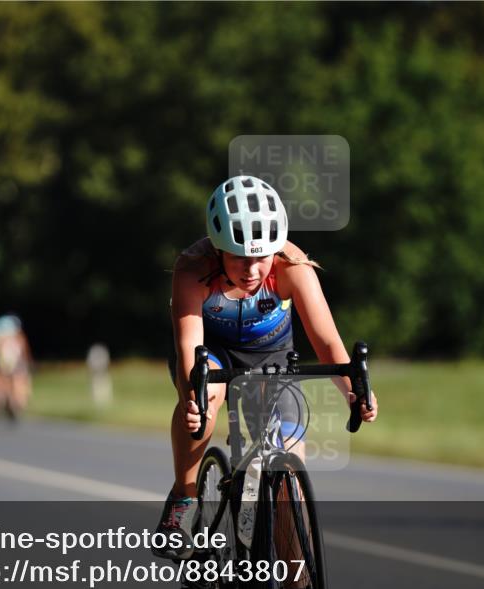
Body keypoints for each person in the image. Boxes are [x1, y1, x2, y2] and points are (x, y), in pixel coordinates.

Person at [154, 175, 378, 561]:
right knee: (206, 399)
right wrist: (193, 400)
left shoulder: (293, 266)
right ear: (217, 249)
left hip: (271, 356)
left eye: (262, 257)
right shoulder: (193, 268)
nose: (252, 269)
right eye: (239, 257)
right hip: (212, 353)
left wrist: (354, 392)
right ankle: (184, 498)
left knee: (289, 482)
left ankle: (296, 587)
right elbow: (189, 345)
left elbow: (327, 342)